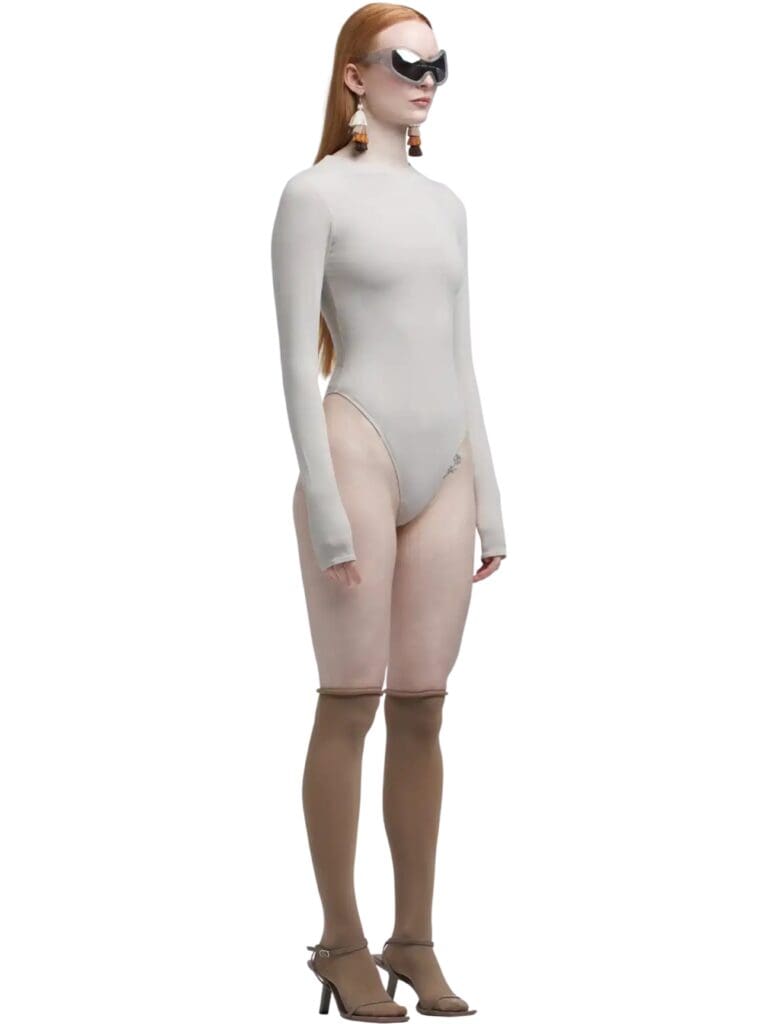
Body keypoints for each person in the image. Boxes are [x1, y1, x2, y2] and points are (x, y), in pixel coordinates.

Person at [270, 5, 506, 1020]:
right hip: (354, 447)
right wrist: (324, 504)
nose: (427, 79)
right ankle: (339, 941)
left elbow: (461, 355)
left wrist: (491, 499)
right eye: (408, 62)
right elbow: (293, 359)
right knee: (349, 699)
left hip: (443, 463)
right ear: (354, 77)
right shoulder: (312, 195)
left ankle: (413, 937)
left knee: (422, 703)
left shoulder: (448, 206)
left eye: (440, 65)